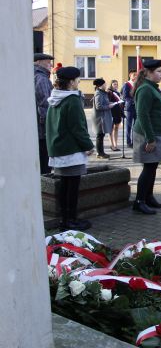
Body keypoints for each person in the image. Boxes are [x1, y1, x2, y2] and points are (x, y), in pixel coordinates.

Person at [46, 66, 94, 231]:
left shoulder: (55, 97)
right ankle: (71, 221)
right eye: (78, 79)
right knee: (72, 187)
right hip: (71, 150)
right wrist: (88, 145)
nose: (79, 81)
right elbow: (77, 127)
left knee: (64, 186)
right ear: (71, 82)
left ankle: (64, 220)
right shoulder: (72, 99)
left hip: (58, 148)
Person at [132, 59, 161, 215]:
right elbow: (142, 115)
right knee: (148, 168)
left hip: (154, 133)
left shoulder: (152, 88)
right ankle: (139, 201)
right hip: (147, 135)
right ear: (149, 73)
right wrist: (150, 139)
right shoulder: (145, 89)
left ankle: (148, 197)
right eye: (158, 72)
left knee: (152, 167)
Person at [34, 52, 54, 174]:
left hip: (36, 127)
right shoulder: (41, 78)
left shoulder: (33, 75)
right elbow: (45, 104)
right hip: (42, 130)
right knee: (44, 164)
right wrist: (49, 127)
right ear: (38, 62)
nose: (50, 64)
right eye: (47, 62)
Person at [92, 78, 116, 159]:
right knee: (100, 135)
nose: (106, 85)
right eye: (104, 84)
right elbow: (98, 106)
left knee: (101, 135)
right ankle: (99, 153)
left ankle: (101, 152)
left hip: (103, 117)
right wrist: (108, 106)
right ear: (100, 85)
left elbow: (103, 102)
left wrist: (109, 103)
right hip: (100, 118)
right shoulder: (98, 93)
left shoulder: (102, 93)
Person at [122, 70, 137, 148]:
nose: (135, 76)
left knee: (136, 125)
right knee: (129, 125)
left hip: (137, 107)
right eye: (134, 75)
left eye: (136, 75)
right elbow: (125, 97)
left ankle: (135, 141)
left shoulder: (137, 84)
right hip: (130, 107)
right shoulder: (127, 84)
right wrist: (133, 101)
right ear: (130, 76)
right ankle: (128, 142)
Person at [108, 80, 123, 151]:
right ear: (111, 85)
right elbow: (107, 102)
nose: (116, 86)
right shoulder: (109, 92)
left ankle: (116, 144)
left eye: (117, 84)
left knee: (116, 128)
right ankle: (112, 145)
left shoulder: (117, 92)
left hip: (117, 111)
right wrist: (115, 102)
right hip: (111, 111)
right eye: (114, 84)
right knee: (111, 129)